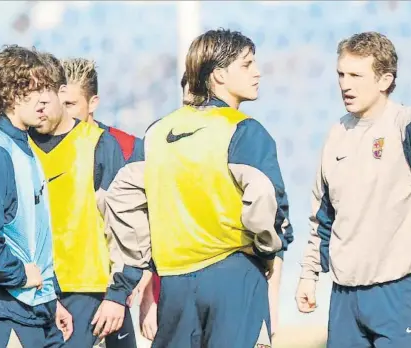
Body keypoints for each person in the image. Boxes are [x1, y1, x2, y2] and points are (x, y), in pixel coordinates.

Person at [103, 28, 294, 347]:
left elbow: (121, 199)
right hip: (234, 273)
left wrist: (141, 260)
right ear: (218, 75)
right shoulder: (243, 130)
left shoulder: (158, 132)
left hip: (175, 280)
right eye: (247, 64)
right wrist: (267, 247)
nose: (257, 72)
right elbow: (267, 199)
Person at [295, 31, 411, 348]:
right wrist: (308, 275)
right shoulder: (336, 134)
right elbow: (323, 216)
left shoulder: (405, 126)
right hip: (345, 296)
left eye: (355, 75)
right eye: (341, 74)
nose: (345, 84)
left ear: (384, 80)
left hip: (401, 292)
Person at [26, 51, 144, 348]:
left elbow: (126, 228)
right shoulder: (19, 147)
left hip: (93, 293)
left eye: (68, 103)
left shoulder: (103, 146)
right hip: (36, 292)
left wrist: (119, 292)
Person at [0, 45, 72, 347]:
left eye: (45, 89)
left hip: (33, 306)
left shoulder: (21, 148)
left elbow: (30, 236)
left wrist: (49, 297)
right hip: (3, 308)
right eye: (31, 89)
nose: (42, 99)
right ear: (7, 93)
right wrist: (20, 277)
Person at [60, 57, 144, 164]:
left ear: (92, 104)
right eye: (57, 105)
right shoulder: (37, 149)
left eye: (69, 104)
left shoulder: (129, 150)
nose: (60, 112)